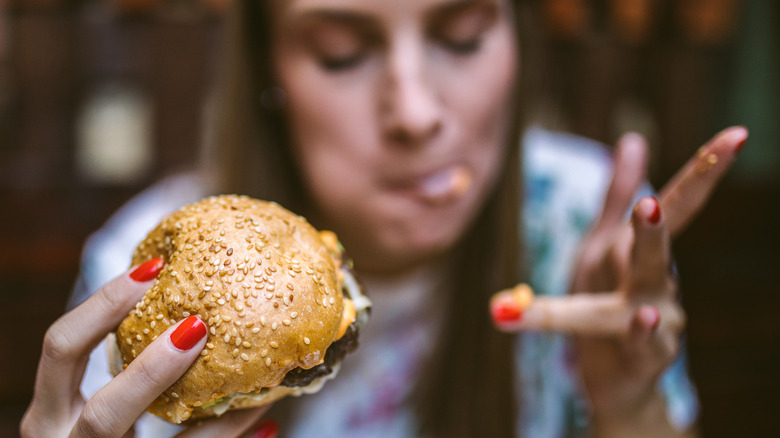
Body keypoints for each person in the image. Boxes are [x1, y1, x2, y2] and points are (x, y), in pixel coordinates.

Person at [21, 0, 748, 437]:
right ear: (270, 68)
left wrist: (629, 410)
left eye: (462, 35)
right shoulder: (145, 273)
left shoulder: (588, 223)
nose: (417, 113)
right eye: (342, 53)